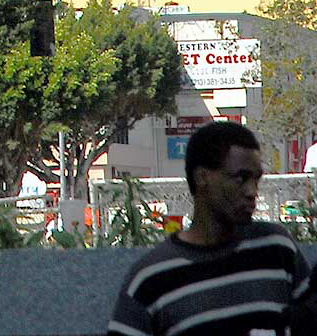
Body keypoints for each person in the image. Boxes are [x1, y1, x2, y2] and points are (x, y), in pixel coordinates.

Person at [108, 120, 317, 335]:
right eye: (241, 178)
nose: (252, 191)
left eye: (256, 179)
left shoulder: (276, 249)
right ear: (202, 178)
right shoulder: (151, 279)